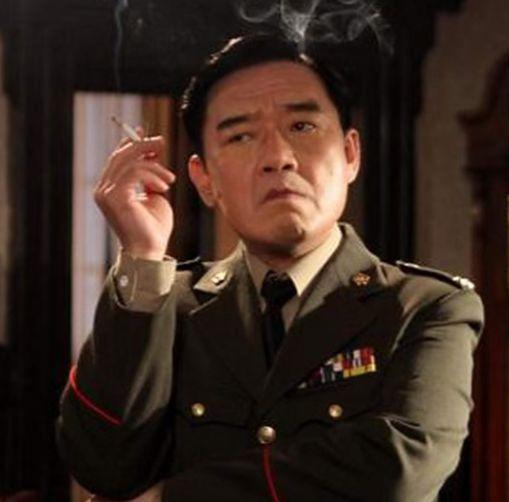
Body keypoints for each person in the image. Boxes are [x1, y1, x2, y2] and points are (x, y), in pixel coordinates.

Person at [57, 33, 484, 501]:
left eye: (302, 126)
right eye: (240, 136)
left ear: (350, 154)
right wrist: (141, 255)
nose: (278, 158)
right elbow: (104, 465)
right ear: (204, 179)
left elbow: (398, 469)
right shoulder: (167, 305)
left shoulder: (426, 307)